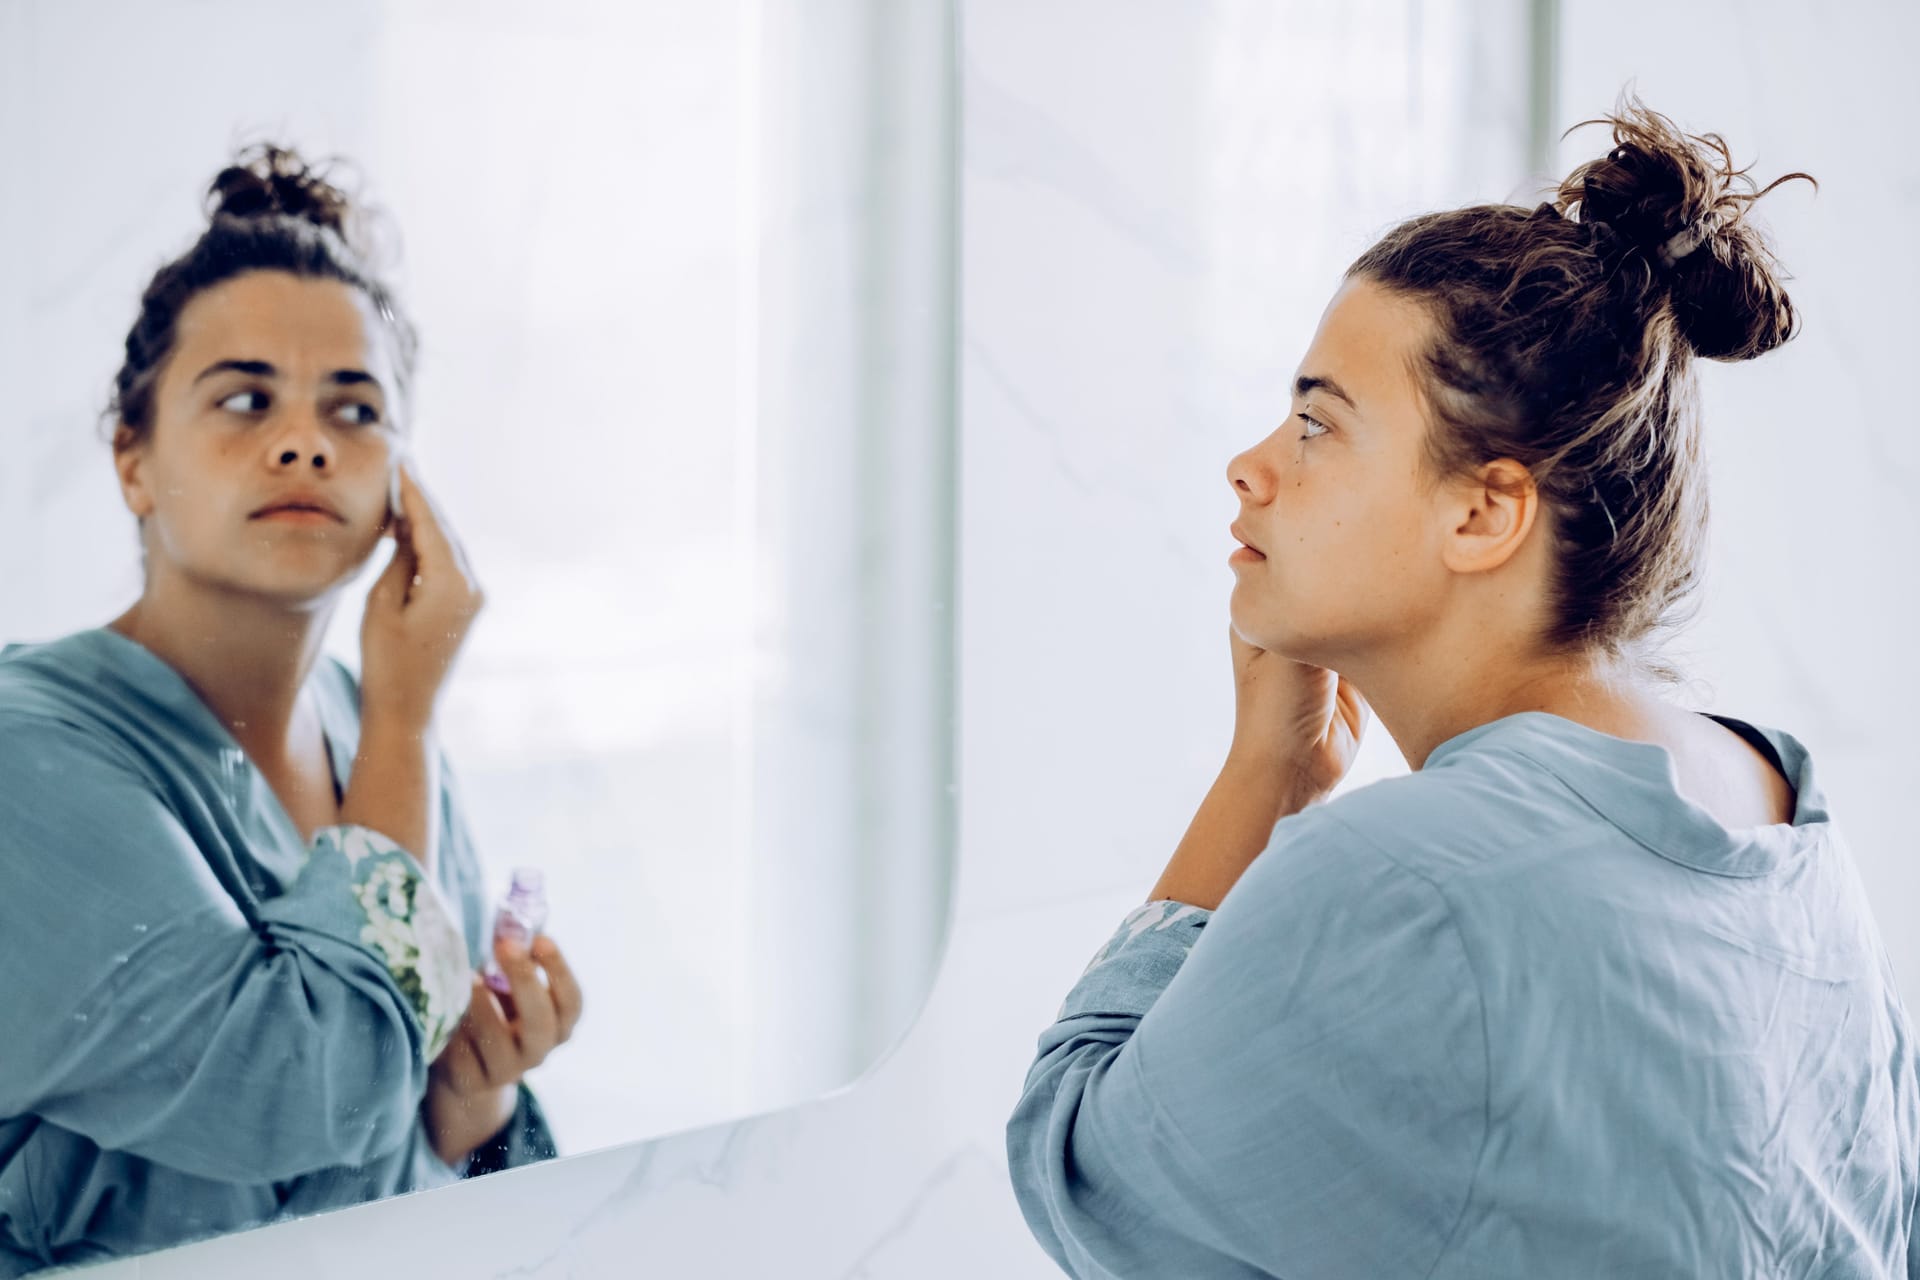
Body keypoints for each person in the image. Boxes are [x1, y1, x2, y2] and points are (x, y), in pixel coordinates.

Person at [1007, 97, 1919, 1277]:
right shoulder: (1775, 799)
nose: (1252, 465)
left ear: (1484, 511)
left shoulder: (1400, 877)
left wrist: (1265, 775)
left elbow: (1081, 1173)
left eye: (1315, 424)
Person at [0, 145, 583, 1276]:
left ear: (402, 483)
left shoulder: (380, 731)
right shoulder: (25, 759)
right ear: (133, 458)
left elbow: (401, 1170)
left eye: (355, 408)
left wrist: (475, 1109)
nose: (305, 438)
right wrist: (410, 722)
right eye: (244, 397)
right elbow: (307, 1097)